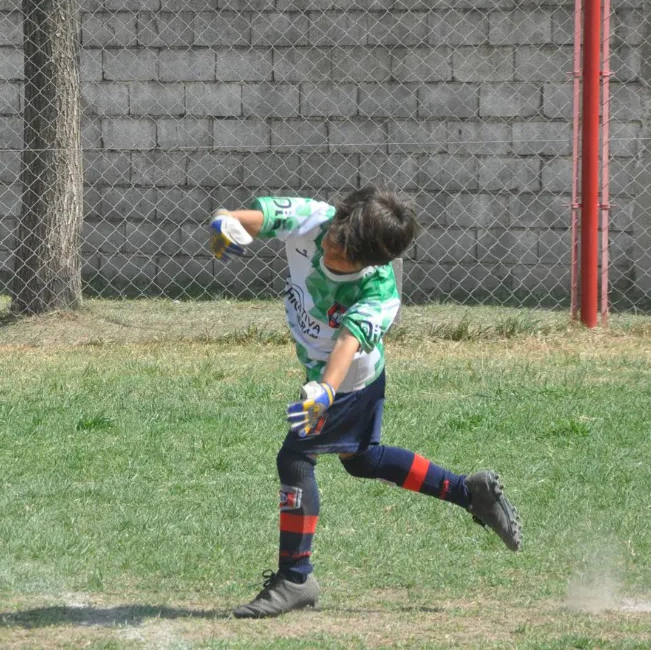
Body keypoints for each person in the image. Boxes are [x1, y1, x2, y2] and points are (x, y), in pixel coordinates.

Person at [207, 186, 522, 619]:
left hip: (348, 378)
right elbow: (258, 216)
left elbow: (347, 343)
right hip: (337, 378)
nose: (332, 254)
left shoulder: (379, 291)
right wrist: (227, 222)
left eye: (345, 256)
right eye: (334, 241)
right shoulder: (316, 218)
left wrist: (325, 391)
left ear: (374, 261)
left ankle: (296, 577)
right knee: (363, 459)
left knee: (296, 457)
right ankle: (469, 493)